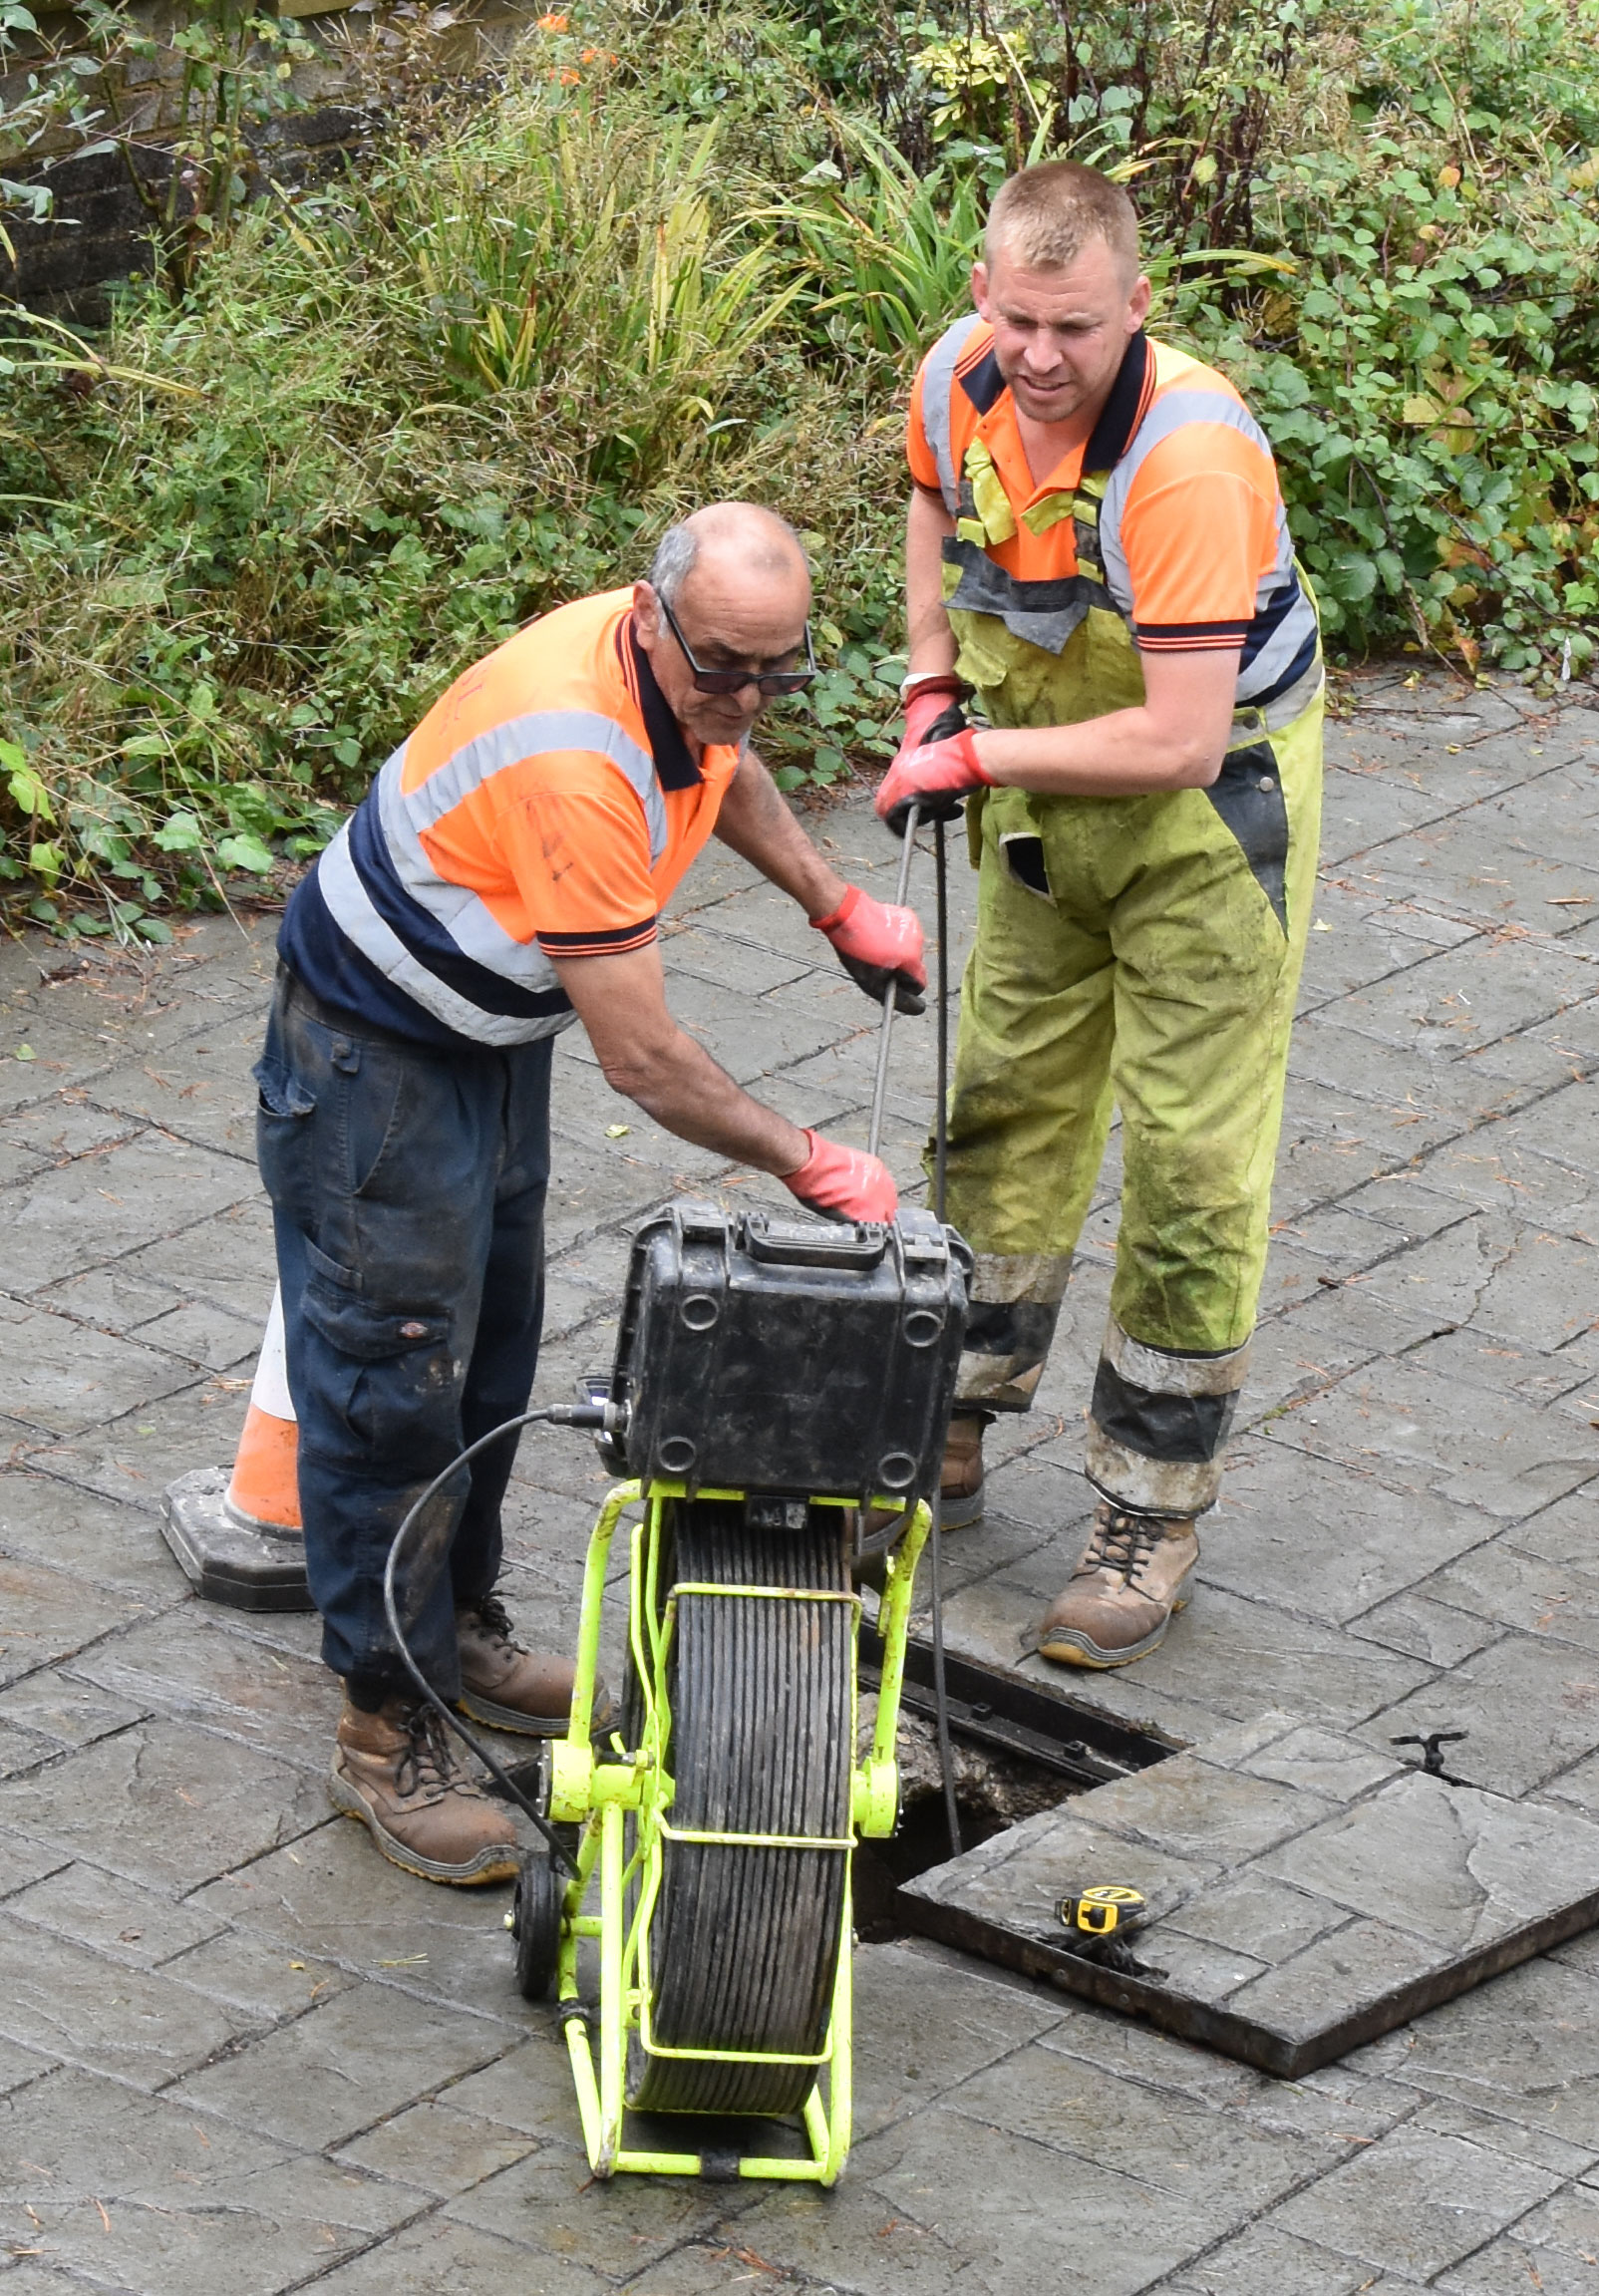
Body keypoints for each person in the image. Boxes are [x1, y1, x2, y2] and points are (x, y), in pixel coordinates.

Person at [257, 502, 924, 1883]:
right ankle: (385, 1735)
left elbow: (721, 760)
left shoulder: (677, 685)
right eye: (723, 664)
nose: (745, 698)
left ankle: (465, 1631)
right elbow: (646, 1059)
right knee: (393, 1385)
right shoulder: (574, 753)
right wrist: (811, 1162)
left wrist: (830, 900)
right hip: (377, 1058)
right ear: (650, 612)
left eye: (777, 668)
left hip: (482, 1042)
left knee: (489, 1362)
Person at [876, 161, 1324, 1671]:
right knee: (1003, 1098)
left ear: (1139, 307)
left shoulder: (1189, 461)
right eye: (1016, 318)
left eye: (1073, 325)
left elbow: (1179, 739)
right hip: (1041, 792)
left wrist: (973, 752)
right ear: (986, 292)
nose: (1040, 356)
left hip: (1206, 815)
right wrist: (933, 673)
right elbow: (936, 518)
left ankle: (1150, 1505)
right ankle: (949, 1418)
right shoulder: (955, 374)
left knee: (1195, 1155)